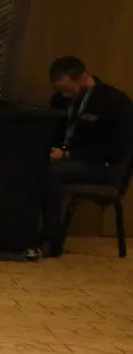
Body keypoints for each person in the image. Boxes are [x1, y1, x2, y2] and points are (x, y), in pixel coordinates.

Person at [42, 56, 132, 257]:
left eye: (68, 90)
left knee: (51, 173)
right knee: (33, 166)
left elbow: (118, 148)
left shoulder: (115, 102)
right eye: (60, 91)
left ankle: (51, 239)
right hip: (68, 160)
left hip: (103, 167)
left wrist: (69, 153)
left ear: (83, 78)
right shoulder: (60, 100)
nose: (64, 96)